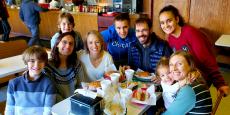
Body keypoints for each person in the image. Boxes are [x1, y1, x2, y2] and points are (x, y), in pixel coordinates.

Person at [159, 5, 229, 96]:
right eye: (162, 23)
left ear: (177, 19)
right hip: (186, 73)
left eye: (169, 21)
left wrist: (220, 84)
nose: (166, 25)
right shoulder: (170, 38)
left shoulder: (190, 33)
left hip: (200, 75)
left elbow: (208, 60)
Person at [5, 46, 56, 115]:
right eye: (32, 61)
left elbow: (48, 110)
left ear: (45, 64)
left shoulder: (49, 83)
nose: (36, 65)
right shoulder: (13, 83)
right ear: (26, 62)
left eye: (40, 61)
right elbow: (9, 109)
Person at [44, 32, 86, 102]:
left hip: (76, 101)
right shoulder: (47, 67)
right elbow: (52, 92)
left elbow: (81, 85)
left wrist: (76, 101)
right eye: (64, 42)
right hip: (57, 105)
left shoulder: (77, 64)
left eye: (71, 43)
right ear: (57, 44)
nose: (67, 46)